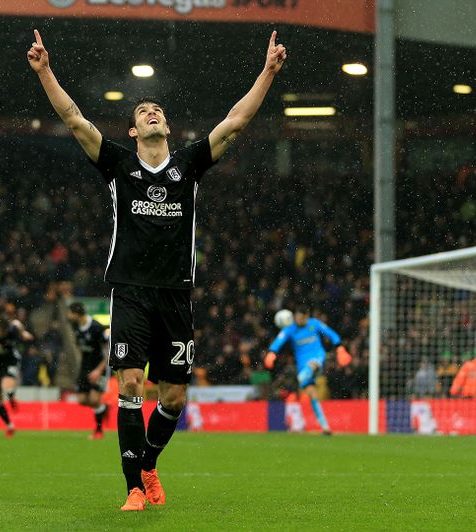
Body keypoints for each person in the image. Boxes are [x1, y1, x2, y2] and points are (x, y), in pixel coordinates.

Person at [28, 28, 286, 511]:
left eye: (158, 111)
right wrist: (45, 72)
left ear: (167, 127)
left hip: (175, 294)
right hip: (129, 291)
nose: (152, 113)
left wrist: (267, 72)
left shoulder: (188, 164)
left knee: (172, 399)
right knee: (129, 386)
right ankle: (132, 487)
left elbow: (235, 122)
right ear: (133, 131)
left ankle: (148, 463)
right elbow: (73, 118)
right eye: (143, 112)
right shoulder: (118, 164)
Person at [265, 306, 344, 436]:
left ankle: (306, 374)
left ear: (306, 316)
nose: (297, 319)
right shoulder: (291, 329)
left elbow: (331, 334)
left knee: (308, 369)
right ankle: (325, 427)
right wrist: (272, 353)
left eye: (300, 317)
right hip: (302, 365)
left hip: (317, 358)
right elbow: (280, 340)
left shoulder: (314, 324)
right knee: (313, 394)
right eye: (296, 316)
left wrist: (339, 347)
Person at [67, 302, 111, 439]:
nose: (68, 316)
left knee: (93, 398)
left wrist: (99, 370)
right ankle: (103, 408)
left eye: (70, 313)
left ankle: (98, 431)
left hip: (100, 367)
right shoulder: (75, 327)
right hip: (85, 367)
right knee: (81, 400)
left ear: (76, 314)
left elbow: (109, 351)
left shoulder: (96, 328)